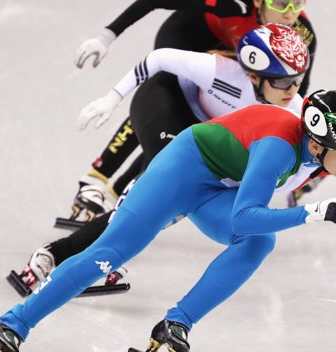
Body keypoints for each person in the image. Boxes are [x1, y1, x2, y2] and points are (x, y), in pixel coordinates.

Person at [0, 89, 336, 352]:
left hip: (215, 185)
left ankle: (175, 324)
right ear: (317, 144)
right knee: (110, 254)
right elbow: (244, 216)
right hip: (181, 169)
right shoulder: (280, 147)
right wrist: (311, 213)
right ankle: (12, 324)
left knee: (258, 243)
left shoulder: (313, 153)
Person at [12, 24, 316, 294]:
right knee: (154, 194)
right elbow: (158, 59)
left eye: (298, 79)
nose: (292, 89)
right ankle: (57, 256)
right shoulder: (223, 71)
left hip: (200, 135)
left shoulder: (294, 109)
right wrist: (112, 98)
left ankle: (73, 254)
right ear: (253, 74)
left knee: (171, 207)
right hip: (163, 100)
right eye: (281, 82)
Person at [69, 0, 317, 221]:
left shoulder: (304, 38)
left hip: (234, 63)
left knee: (187, 130)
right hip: (189, 37)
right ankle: (97, 177)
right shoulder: (233, 4)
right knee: (165, 96)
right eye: (282, 4)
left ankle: (118, 191)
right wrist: (107, 35)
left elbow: (292, 95)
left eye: (299, 4)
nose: (290, 14)